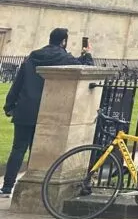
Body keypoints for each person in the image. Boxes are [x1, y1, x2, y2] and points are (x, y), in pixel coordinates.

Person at [2, 28, 94, 196]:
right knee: (37, 151)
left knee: (18, 149)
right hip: (48, 111)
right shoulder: (64, 58)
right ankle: (32, 185)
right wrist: (87, 54)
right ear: (64, 41)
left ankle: (7, 187)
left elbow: (18, 82)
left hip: (25, 109)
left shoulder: (32, 57)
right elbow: (87, 68)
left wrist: (9, 105)